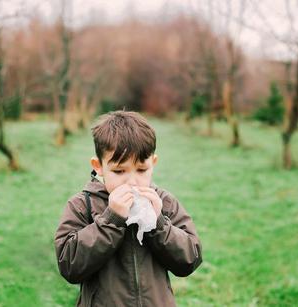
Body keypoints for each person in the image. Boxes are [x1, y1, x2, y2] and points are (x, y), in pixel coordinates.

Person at [54, 111, 203, 306]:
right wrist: (111, 220)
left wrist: (158, 224)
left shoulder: (163, 202)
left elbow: (189, 260)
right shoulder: (83, 205)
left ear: (153, 163)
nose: (132, 181)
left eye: (141, 170)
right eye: (119, 171)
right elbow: (69, 266)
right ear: (98, 166)